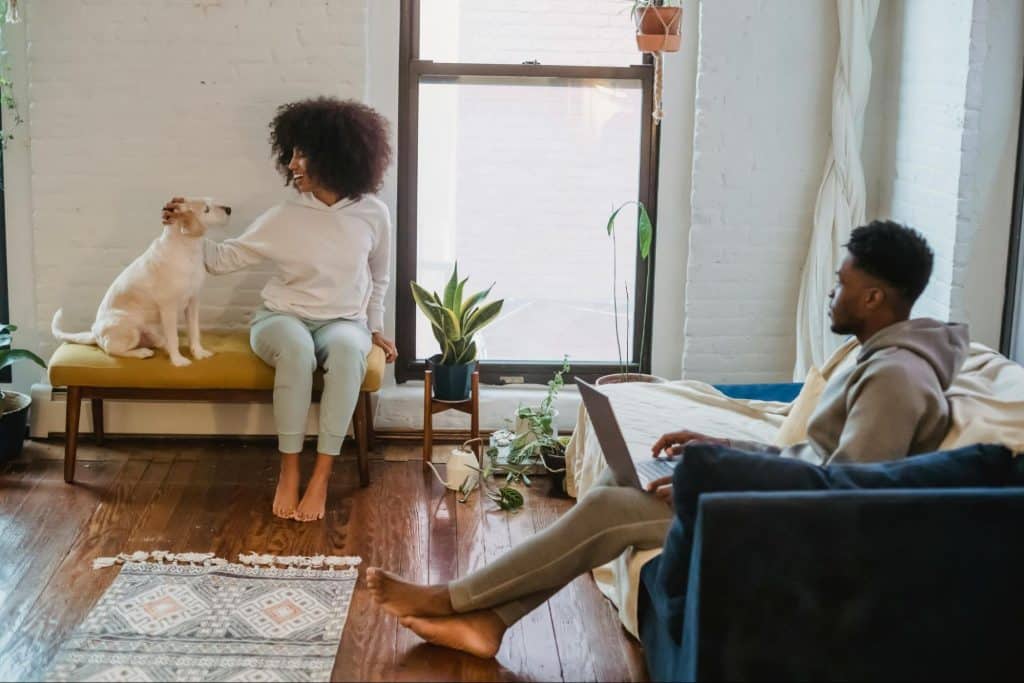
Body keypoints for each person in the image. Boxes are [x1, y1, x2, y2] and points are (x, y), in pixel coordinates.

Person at [366, 220, 969, 658]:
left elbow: (848, 493)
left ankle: (453, 600)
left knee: (607, 508)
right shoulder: (881, 358)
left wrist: (718, 487)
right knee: (615, 482)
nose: (831, 295)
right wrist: (726, 450)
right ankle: (490, 620)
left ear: (873, 297)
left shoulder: (897, 377)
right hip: (776, 498)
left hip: (793, 526)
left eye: (841, 286)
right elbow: (814, 459)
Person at [162, 97, 397, 522]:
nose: (292, 165)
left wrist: (375, 328)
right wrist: (188, 227)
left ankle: (321, 477)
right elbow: (219, 261)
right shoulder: (284, 216)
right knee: (295, 350)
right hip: (280, 318)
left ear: (336, 155)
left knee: (347, 353)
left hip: (343, 321)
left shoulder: (373, 215)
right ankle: (289, 470)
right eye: (289, 154)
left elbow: (379, 278)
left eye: (302, 154)